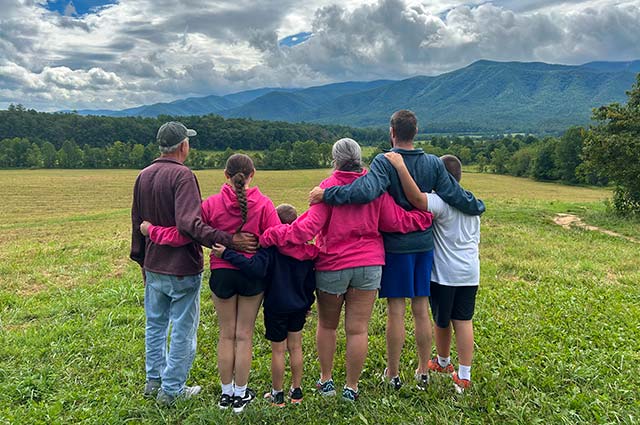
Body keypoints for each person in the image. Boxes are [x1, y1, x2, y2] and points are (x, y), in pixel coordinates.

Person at [308, 110, 484, 391]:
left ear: (392, 132)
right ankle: (423, 372)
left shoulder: (385, 161)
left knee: (396, 311)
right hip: (424, 246)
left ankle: (393, 373)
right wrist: (477, 205)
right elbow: (452, 193)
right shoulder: (433, 163)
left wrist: (328, 194)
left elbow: (365, 192)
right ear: (416, 132)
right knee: (421, 310)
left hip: (396, 248)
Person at [260, 138, 433, 401]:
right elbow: (396, 221)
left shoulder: (327, 188)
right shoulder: (375, 187)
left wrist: (270, 234)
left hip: (333, 265)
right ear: (359, 157)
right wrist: (426, 215)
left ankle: (326, 381)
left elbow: (306, 229)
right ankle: (351, 387)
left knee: (327, 326)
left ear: (335, 160)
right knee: (358, 329)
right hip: (370, 264)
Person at [130, 122, 257, 407]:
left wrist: (141, 259)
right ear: (183, 146)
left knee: (155, 325)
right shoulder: (183, 176)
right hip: (181, 267)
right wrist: (229, 240)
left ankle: (154, 382)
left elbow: (136, 222)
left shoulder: (143, 175)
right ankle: (173, 389)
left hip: (153, 266)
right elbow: (190, 226)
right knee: (183, 330)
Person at [384, 152, 480, 393]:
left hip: (446, 273)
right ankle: (463, 374)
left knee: (441, 320)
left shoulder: (440, 201)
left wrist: (400, 167)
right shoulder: (471, 201)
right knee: (464, 320)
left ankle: (443, 361)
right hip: (470, 272)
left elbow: (416, 198)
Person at [208, 204, 318, 407]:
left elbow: (253, 267)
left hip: (276, 306)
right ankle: (297, 391)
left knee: (278, 351)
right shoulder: (309, 253)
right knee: (296, 347)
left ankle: (278, 394)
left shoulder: (271, 251)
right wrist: (308, 304)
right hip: (300, 306)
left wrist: (227, 254)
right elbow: (311, 283)